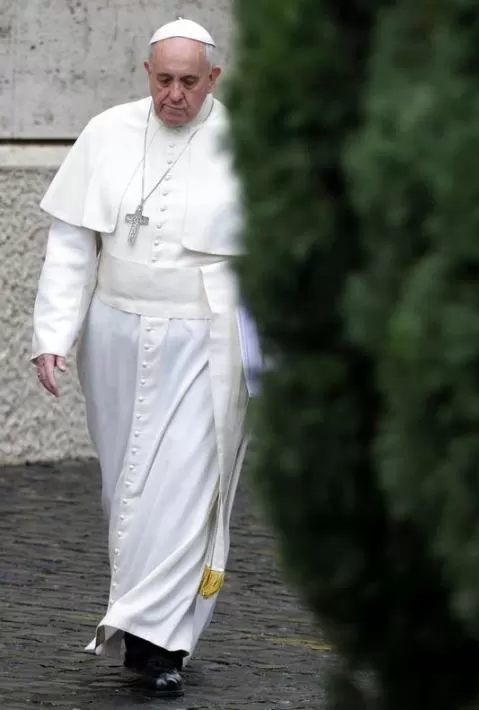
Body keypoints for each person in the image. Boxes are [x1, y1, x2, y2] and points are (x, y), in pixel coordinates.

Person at [29, 17, 252, 697]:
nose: (175, 95)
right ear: (146, 73)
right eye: (164, 80)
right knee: (126, 487)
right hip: (117, 334)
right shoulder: (106, 133)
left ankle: (162, 646)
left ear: (213, 78)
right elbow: (71, 246)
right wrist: (52, 335)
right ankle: (144, 628)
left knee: (184, 490)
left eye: (190, 81)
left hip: (205, 336)